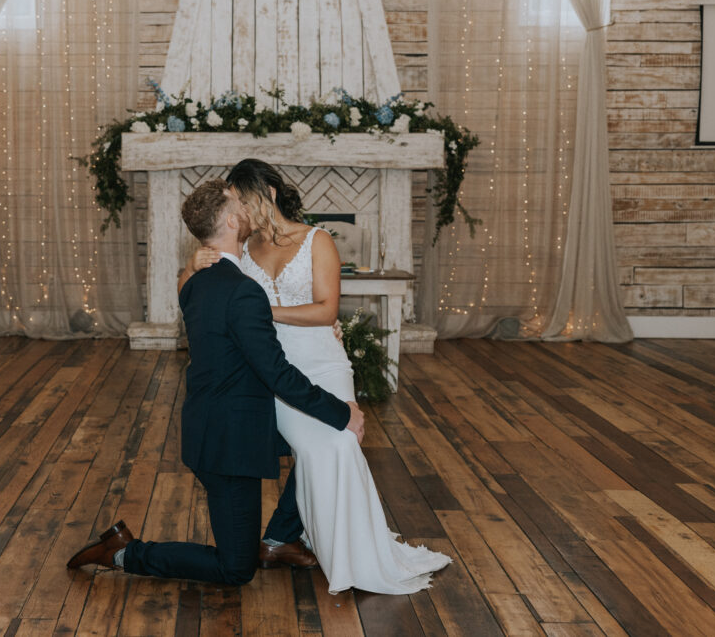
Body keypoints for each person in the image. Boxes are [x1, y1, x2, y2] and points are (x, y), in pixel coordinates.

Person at [66, 179, 366, 586]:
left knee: (315, 448)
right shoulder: (242, 291)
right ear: (228, 220)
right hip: (231, 443)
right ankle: (122, 553)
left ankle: (280, 536)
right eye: (238, 204)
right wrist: (340, 411)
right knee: (235, 568)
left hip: (218, 425)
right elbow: (275, 372)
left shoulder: (198, 283)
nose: (246, 207)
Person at [180, 159, 451, 594]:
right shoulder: (238, 250)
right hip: (269, 369)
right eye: (234, 204)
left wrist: (258, 313)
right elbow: (196, 295)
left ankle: (304, 541)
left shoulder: (316, 240)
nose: (241, 210)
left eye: (241, 197)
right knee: (316, 446)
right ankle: (283, 538)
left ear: (267, 194)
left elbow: (327, 310)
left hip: (321, 360)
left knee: (340, 442)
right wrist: (192, 264)